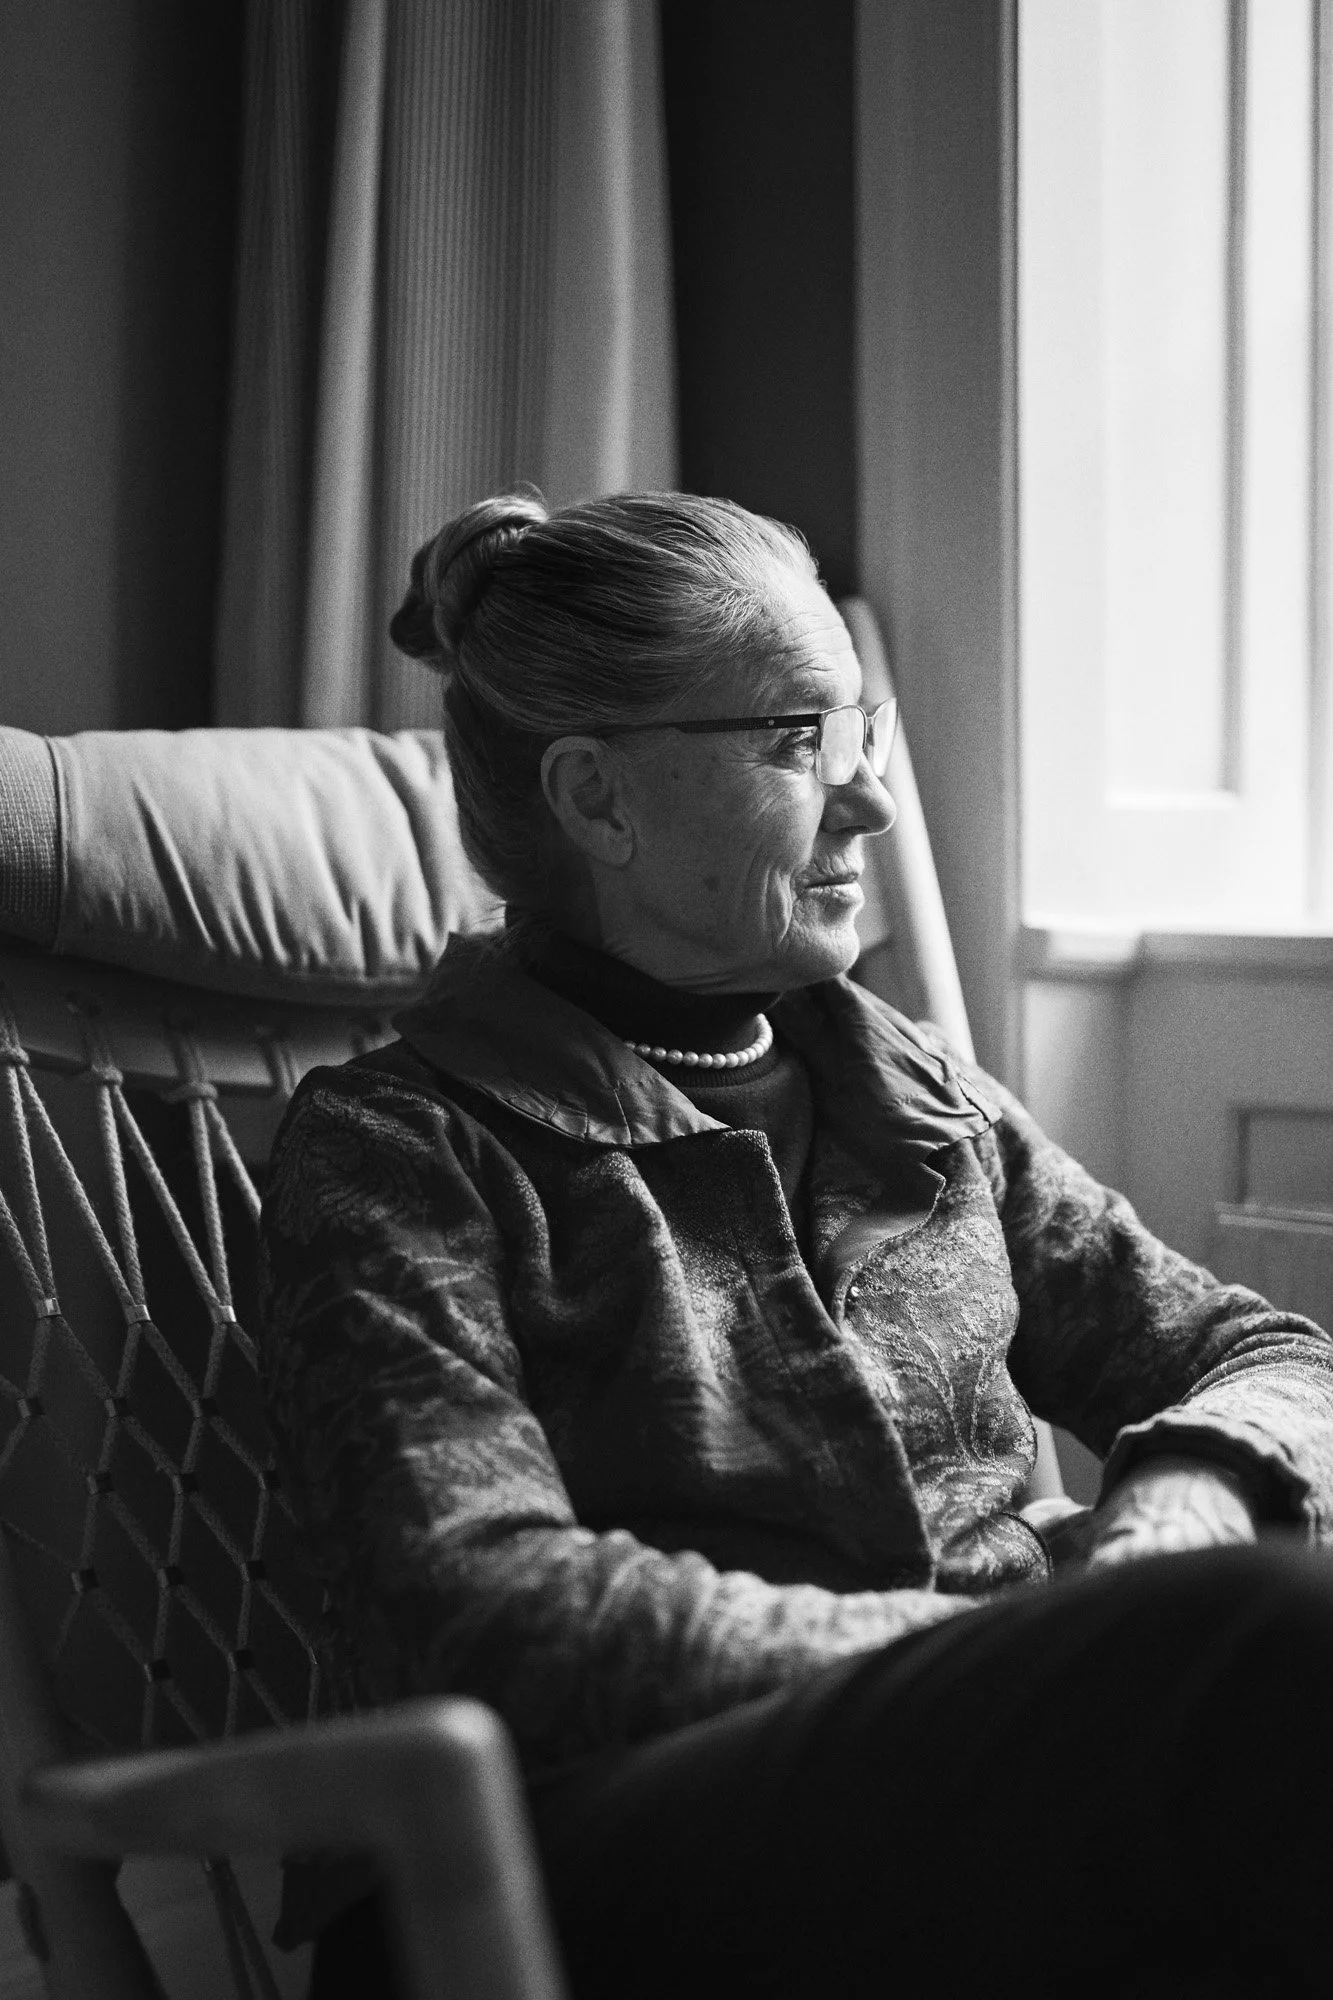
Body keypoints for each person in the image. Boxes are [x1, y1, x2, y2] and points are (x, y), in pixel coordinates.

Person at [259, 488, 1333, 1999]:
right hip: (565, 1864)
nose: (873, 802)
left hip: (974, 1804)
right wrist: (991, 1662)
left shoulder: (919, 1102)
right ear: (597, 799)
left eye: (860, 732)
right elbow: (483, 1607)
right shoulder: (398, 1153)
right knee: (1268, 1651)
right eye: (793, 739)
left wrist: (1181, 1508)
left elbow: (1265, 1354)